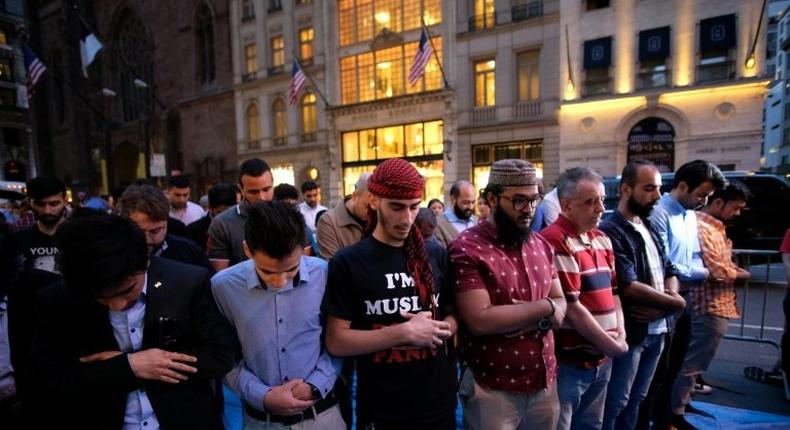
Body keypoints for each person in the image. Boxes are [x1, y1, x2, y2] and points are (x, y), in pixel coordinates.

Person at [28, 211, 237, 428]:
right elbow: (46, 382)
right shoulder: (58, 300)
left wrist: (153, 364)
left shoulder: (187, 282)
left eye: (128, 290)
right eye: (101, 297)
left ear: (145, 262)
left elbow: (220, 356)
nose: (117, 305)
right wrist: (129, 366)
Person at [324, 159, 457, 429]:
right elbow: (336, 341)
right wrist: (404, 333)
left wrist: (439, 330)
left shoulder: (434, 254)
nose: (407, 218)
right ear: (373, 201)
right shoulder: (349, 262)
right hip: (382, 408)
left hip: (438, 402)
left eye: (413, 207)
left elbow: (454, 315)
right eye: (396, 207)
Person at [449, 159, 567, 429]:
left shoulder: (540, 244)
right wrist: (544, 307)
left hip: (544, 382)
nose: (528, 210)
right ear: (492, 198)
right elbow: (480, 320)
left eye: (534, 200)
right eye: (518, 201)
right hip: (492, 388)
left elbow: (562, 305)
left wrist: (531, 313)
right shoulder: (467, 248)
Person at [211, 201, 344, 429]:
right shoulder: (223, 287)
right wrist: (263, 395)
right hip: (260, 421)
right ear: (247, 250)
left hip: (322, 416)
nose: (280, 282)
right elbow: (222, 357)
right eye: (268, 272)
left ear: (304, 249)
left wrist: (315, 384)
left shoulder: (324, 274)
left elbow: (338, 340)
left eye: (291, 270)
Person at [599, 160, 686, 430]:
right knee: (616, 401)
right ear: (626, 188)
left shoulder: (648, 225)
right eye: (649, 188)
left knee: (638, 398)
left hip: (659, 330)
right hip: (633, 332)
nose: (657, 196)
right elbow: (629, 285)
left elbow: (670, 270)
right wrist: (677, 303)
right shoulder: (612, 229)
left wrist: (668, 305)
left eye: (659, 188)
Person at [540, 167, 628, 430]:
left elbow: (614, 293)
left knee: (591, 424)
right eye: (590, 202)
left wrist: (620, 334)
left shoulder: (601, 239)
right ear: (566, 206)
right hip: (571, 363)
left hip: (602, 358)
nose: (600, 208)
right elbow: (571, 307)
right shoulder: (555, 240)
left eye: (601, 199)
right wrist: (613, 345)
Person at [641, 160, 726, 430]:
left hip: (685, 300)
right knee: (655, 374)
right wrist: (707, 272)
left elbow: (691, 260)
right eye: (701, 194)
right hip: (663, 300)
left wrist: (698, 270)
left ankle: (670, 419)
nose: (703, 201)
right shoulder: (660, 213)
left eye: (708, 197)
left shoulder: (690, 214)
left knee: (675, 368)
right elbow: (668, 264)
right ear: (682, 186)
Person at [668, 182, 751, 429]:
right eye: (735, 208)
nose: (737, 214)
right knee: (692, 364)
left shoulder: (712, 226)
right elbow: (717, 270)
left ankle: (682, 404)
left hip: (715, 305)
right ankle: (676, 412)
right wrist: (740, 274)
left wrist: (733, 271)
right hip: (708, 305)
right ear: (718, 203)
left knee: (695, 363)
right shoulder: (702, 226)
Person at [118, 184, 213, 273]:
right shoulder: (111, 255)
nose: (147, 240)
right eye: (138, 231)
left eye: (155, 231)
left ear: (167, 223)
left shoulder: (189, 253)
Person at [207, 158, 274, 271]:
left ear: (273, 184)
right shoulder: (222, 224)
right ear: (241, 189)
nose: (261, 197)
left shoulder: (290, 217)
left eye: (266, 189)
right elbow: (220, 277)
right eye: (253, 192)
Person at [12, 177, 67, 273]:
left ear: (65, 201)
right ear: (29, 202)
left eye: (54, 204)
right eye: (40, 204)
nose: (47, 211)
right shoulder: (18, 239)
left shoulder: (82, 237)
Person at [316, 172, 371, 260]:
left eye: (376, 208)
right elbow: (332, 267)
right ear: (355, 196)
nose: (372, 213)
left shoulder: (378, 216)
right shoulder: (329, 222)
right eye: (368, 207)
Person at [188, 183, 237, 253]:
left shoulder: (243, 225)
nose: (224, 218)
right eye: (220, 213)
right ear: (210, 208)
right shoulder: (194, 231)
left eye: (228, 212)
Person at [435, 180, 477, 247]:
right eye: (466, 202)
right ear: (453, 200)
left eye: (473, 202)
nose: (470, 207)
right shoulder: (438, 224)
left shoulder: (476, 221)